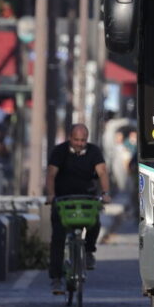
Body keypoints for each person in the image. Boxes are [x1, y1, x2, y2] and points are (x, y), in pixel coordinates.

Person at [45, 124, 111, 294]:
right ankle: (56, 278)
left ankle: (89, 251)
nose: (80, 143)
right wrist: (51, 195)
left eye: (83, 140)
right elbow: (51, 174)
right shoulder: (60, 151)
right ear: (70, 137)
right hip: (63, 199)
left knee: (95, 223)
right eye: (76, 140)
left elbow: (102, 172)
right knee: (58, 238)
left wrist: (105, 193)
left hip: (86, 198)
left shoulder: (93, 151)